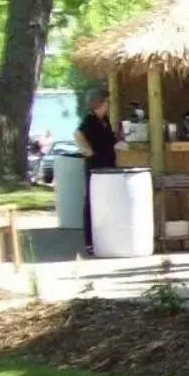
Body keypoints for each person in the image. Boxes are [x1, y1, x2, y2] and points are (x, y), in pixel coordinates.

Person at [74, 87, 118, 255]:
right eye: (106, 102)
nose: (108, 105)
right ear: (98, 103)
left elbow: (109, 139)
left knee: (105, 201)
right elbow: (78, 134)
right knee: (92, 201)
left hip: (107, 164)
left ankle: (103, 237)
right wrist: (88, 151)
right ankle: (89, 241)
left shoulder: (104, 120)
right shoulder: (90, 120)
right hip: (95, 166)